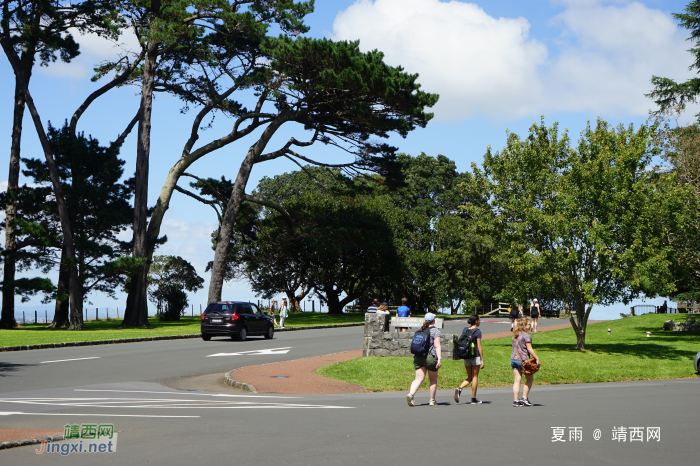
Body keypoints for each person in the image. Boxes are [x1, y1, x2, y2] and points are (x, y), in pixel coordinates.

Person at [406, 312, 441, 407]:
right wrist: (439, 359)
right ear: (434, 320)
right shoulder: (435, 331)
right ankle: (432, 400)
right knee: (433, 379)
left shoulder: (420, 329)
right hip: (430, 357)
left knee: (418, 379)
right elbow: (437, 346)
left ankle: (411, 394)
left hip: (418, 357)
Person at [454, 315, 484, 404]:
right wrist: (482, 359)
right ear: (476, 321)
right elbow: (479, 346)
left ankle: (459, 388)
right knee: (475, 377)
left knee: (469, 377)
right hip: (474, 356)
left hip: (466, 355)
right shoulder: (478, 331)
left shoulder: (465, 329)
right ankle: (473, 399)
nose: (480, 321)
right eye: (479, 320)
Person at [511, 318, 541, 407]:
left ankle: (516, 400)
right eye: (528, 324)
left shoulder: (515, 335)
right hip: (524, 361)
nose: (530, 325)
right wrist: (537, 358)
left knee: (517, 381)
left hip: (514, 360)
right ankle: (524, 398)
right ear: (524, 325)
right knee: (529, 379)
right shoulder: (526, 335)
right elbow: (529, 348)